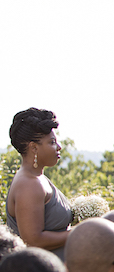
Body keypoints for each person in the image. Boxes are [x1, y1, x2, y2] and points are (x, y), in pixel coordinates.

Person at [6, 108, 72, 259]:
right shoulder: (29, 184)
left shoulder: (37, 178)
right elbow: (33, 240)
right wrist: (78, 232)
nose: (59, 147)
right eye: (52, 142)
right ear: (34, 147)